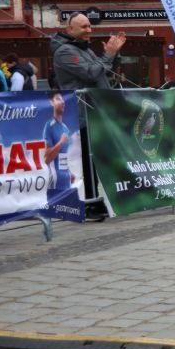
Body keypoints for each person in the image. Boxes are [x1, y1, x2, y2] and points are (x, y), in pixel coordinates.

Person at [51, 14, 127, 220]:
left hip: (96, 111)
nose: (89, 30)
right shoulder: (64, 52)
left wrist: (111, 57)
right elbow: (91, 74)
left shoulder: (85, 49)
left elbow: (101, 74)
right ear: (70, 29)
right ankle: (90, 203)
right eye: (84, 27)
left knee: (97, 159)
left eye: (90, 26)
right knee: (87, 160)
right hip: (81, 115)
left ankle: (99, 201)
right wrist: (108, 55)